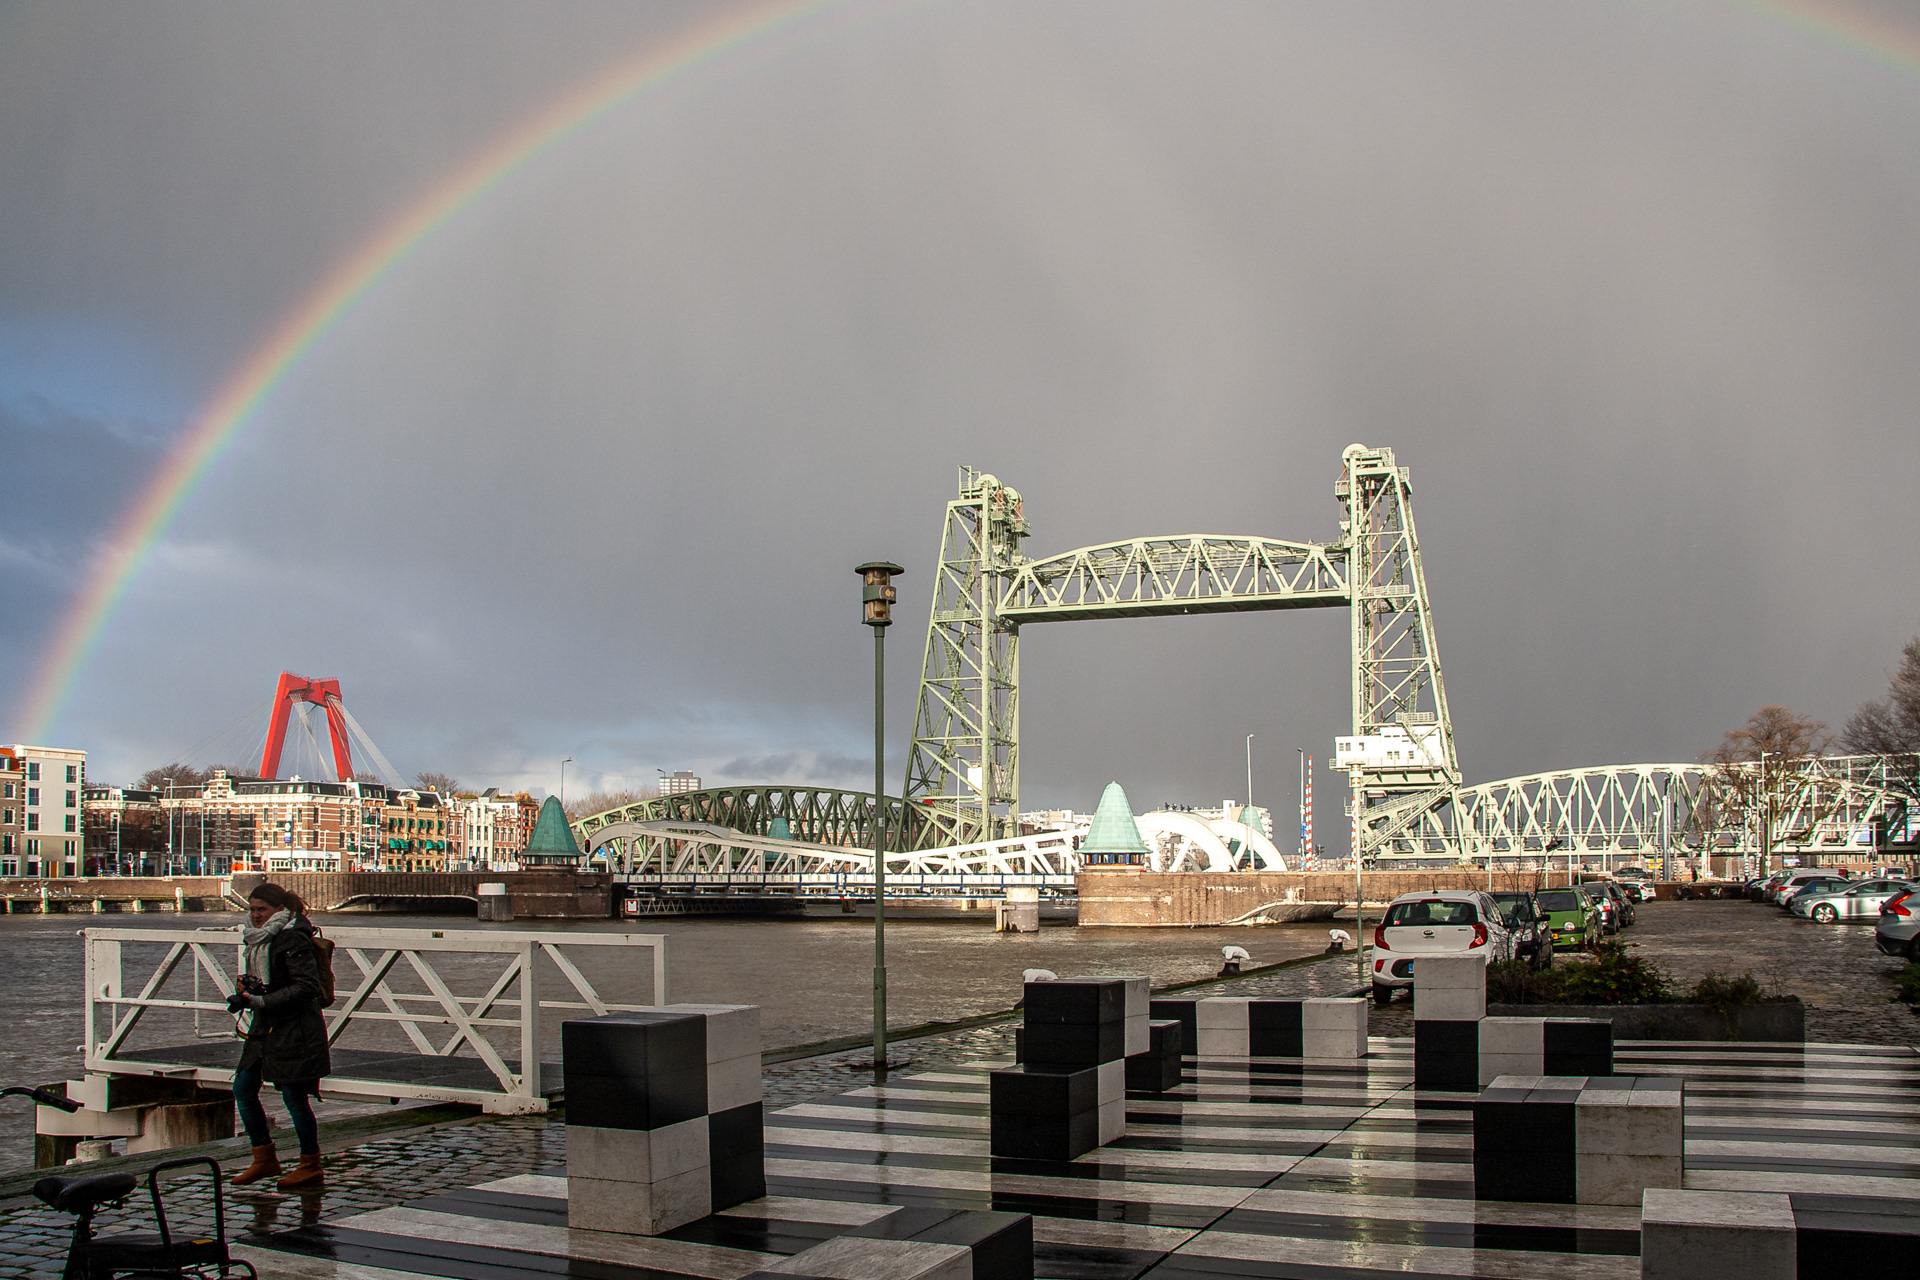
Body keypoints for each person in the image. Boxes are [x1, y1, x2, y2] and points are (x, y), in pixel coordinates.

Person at [226, 882, 331, 1189]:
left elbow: (306, 987)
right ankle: (263, 1158)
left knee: (294, 1097)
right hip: (266, 1026)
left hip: (296, 1028)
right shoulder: (257, 938)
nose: (256, 915)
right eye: (252, 909)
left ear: (279, 910)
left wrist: (263, 1000)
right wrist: (249, 988)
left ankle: (310, 1164)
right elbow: (270, 979)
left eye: (262, 909)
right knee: (243, 1088)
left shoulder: (293, 936)